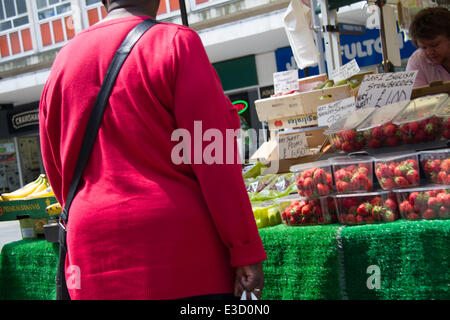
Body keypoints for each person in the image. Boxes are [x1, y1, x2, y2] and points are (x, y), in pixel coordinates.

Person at [39, 0, 266, 300]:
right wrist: (244, 246)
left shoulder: (63, 61)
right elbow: (215, 157)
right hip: (180, 256)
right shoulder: (175, 43)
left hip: (92, 256)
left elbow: (57, 169)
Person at [405, 7, 450, 87]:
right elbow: (417, 98)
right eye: (424, 48)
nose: (429, 53)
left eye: (434, 45)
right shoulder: (417, 61)